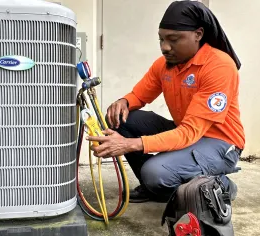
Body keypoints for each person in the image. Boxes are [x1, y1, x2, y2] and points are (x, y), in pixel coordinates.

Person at [87, 0, 245, 203]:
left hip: (220, 143)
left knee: (155, 173)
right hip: (187, 132)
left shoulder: (219, 66)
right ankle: (153, 186)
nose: (165, 47)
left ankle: (221, 186)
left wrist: (129, 144)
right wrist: (124, 101)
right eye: (161, 39)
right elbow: (139, 96)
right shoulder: (165, 64)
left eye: (173, 39)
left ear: (198, 34)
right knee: (123, 119)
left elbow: (190, 132)